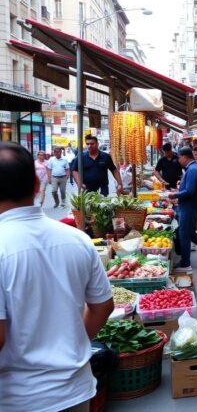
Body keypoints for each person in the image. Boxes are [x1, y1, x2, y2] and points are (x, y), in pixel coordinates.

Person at [0, 141, 114, 412]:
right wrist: (74, 341)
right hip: (74, 389)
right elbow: (103, 305)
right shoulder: (77, 239)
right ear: (37, 186)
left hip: (17, 398)